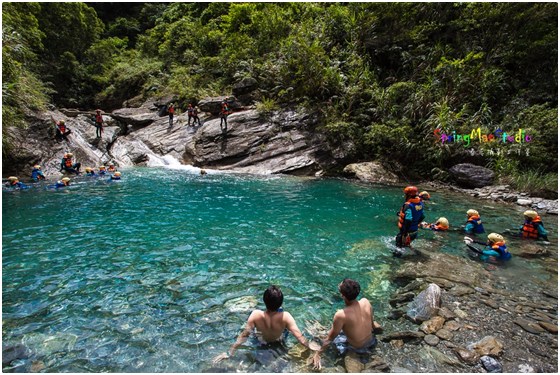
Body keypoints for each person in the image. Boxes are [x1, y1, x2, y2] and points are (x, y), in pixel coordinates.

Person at [212, 285, 311, 364]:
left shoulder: (255, 315)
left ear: (264, 301)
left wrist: (230, 352)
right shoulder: (286, 316)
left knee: (250, 330)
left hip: (260, 342)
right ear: (281, 302)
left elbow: (244, 335)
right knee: (283, 321)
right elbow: (300, 338)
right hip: (278, 342)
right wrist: (316, 351)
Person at [312, 278, 378, 370]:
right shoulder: (366, 302)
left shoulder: (341, 315)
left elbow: (330, 339)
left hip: (357, 349)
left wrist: (318, 353)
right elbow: (373, 324)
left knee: (320, 335)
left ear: (342, 296)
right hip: (372, 342)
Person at [395, 186, 425, 251]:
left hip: (406, 232)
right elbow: (422, 216)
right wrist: (415, 224)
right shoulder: (421, 204)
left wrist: (405, 233)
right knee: (406, 245)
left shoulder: (408, 205)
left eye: (405, 194)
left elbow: (409, 219)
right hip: (415, 232)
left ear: (408, 195)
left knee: (398, 249)